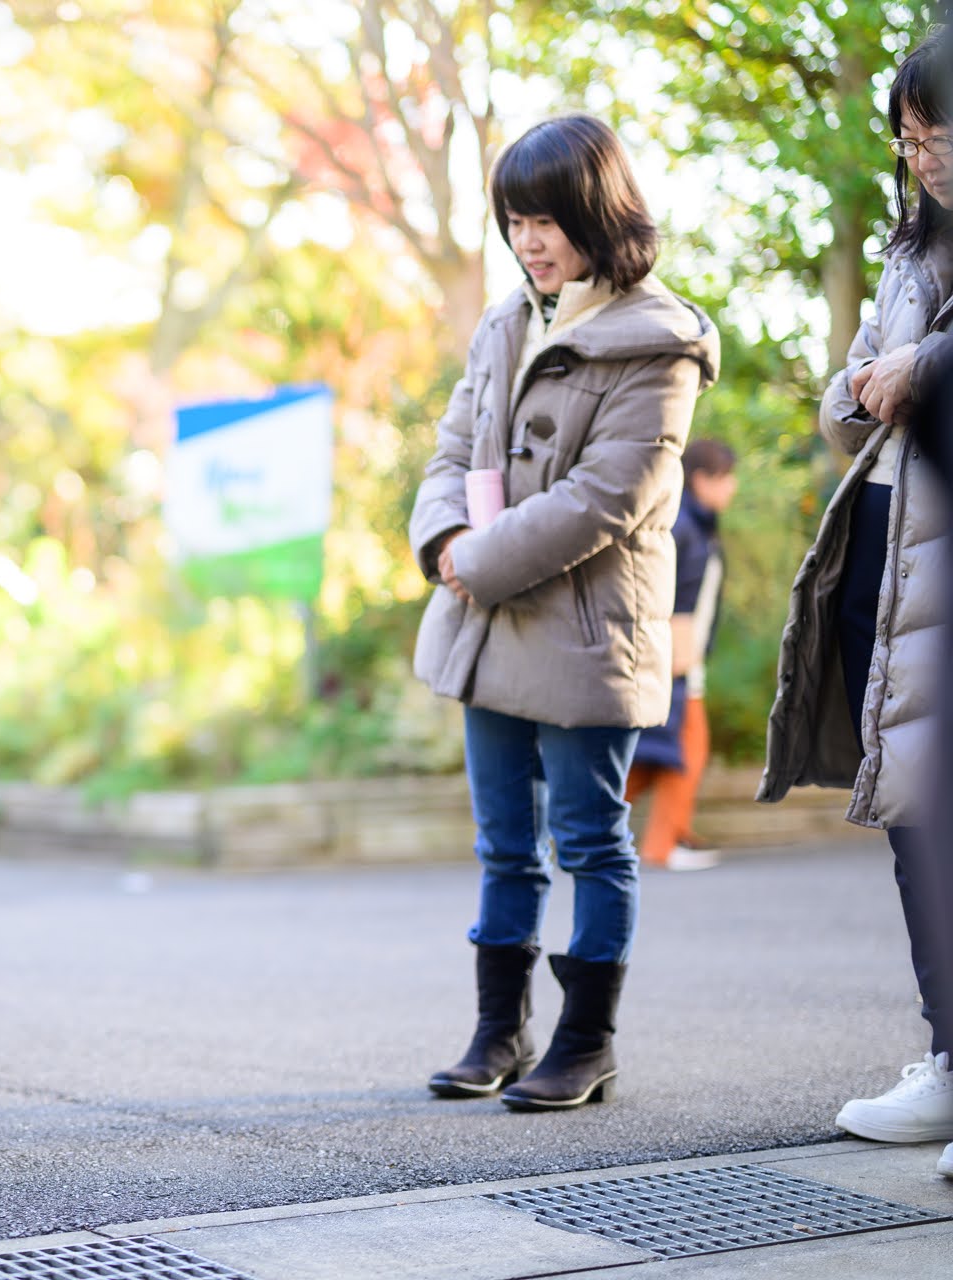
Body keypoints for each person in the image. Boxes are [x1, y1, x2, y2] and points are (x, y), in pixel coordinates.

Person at [409, 115, 719, 1110]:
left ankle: (586, 1040)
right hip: (488, 623)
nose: (530, 238)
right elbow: (451, 452)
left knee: (589, 840)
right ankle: (499, 1030)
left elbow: (606, 497)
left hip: (588, 634)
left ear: (599, 211)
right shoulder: (507, 320)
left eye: (548, 217)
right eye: (516, 218)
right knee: (503, 842)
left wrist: (478, 561)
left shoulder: (660, 343)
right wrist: (445, 544)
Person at [758, 32, 952, 1171]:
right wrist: (870, 380)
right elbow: (851, 392)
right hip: (889, 554)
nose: (921, 154)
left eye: (940, 129)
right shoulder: (908, 248)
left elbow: (908, 373)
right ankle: (947, 1055)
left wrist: (915, 372)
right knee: (918, 821)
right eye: (908, 134)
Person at [625, 438, 739, 872]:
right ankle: (659, 843)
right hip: (675, 654)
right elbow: (672, 598)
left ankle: (661, 833)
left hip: (682, 654)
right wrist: (675, 654)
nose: (732, 486)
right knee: (685, 747)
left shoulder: (697, 524)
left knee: (660, 754)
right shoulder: (685, 527)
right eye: (724, 476)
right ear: (700, 479)